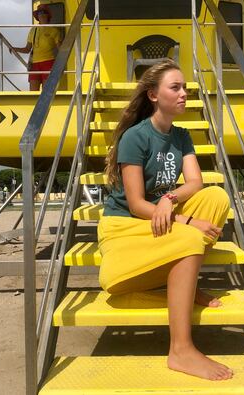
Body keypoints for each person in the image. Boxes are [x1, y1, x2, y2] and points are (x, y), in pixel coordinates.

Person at [99, 59, 233, 381]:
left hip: (158, 214)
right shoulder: (135, 137)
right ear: (154, 95)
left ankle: (187, 286)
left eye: (184, 87)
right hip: (126, 227)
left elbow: (195, 183)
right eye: (176, 87)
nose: (184, 93)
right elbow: (134, 204)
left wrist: (169, 199)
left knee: (217, 197)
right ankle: (181, 350)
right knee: (188, 238)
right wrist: (186, 221)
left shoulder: (182, 136)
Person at [10, 4, 61, 91]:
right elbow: (27, 49)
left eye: (43, 12)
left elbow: (61, 49)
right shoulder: (33, 30)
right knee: (33, 93)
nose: (41, 14)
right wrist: (15, 49)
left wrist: (58, 65)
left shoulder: (54, 30)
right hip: (34, 64)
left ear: (48, 15)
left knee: (46, 92)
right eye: (39, 12)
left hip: (48, 62)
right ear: (37, 16)